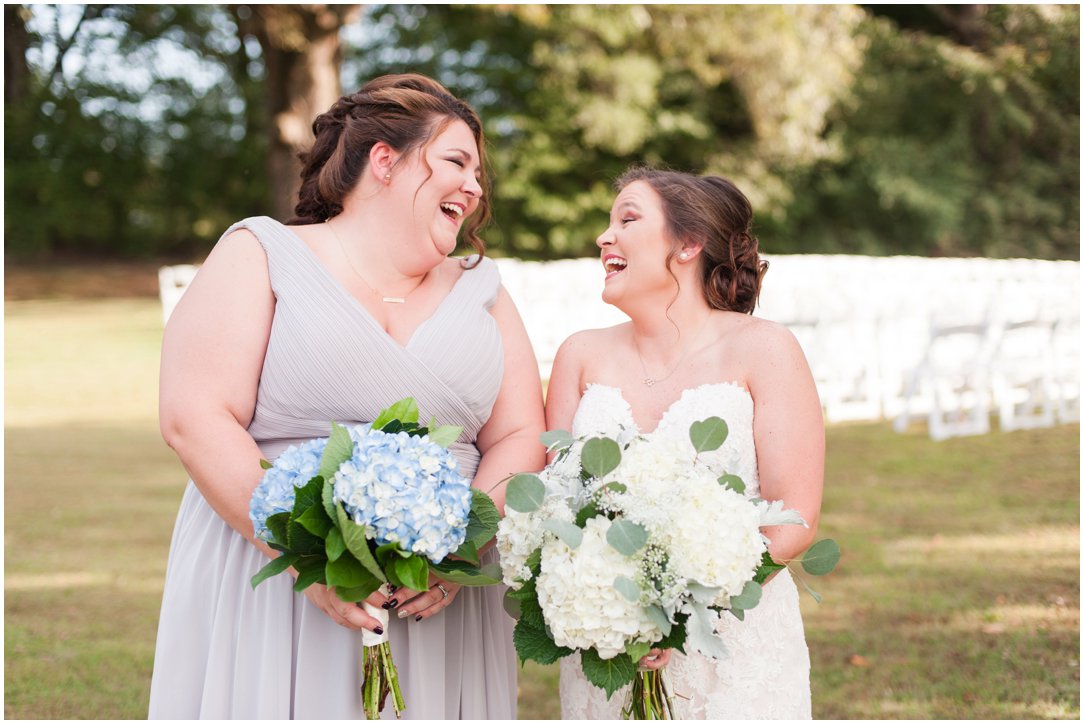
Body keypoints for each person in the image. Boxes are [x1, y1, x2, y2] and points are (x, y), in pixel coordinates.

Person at [148, 73, 546, 719]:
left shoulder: (484, 287)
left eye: (480, 173)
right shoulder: (261, 252)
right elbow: (195, 416)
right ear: (384, 161)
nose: (475, 187)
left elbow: (521, 434)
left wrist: (461, 547)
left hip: (437, 594)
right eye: (456, 162)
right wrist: (306, 561)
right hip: (275, 576)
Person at [545, 167, 825, 719]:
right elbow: (556, 508)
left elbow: (792, 520)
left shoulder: (764, 348)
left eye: (627, 219)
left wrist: (673, 607)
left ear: (689, 243)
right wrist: (606, 604)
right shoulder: (579, 355)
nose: (605, 237)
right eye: (608, 223)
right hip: (608, 650)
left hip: (733, 653)